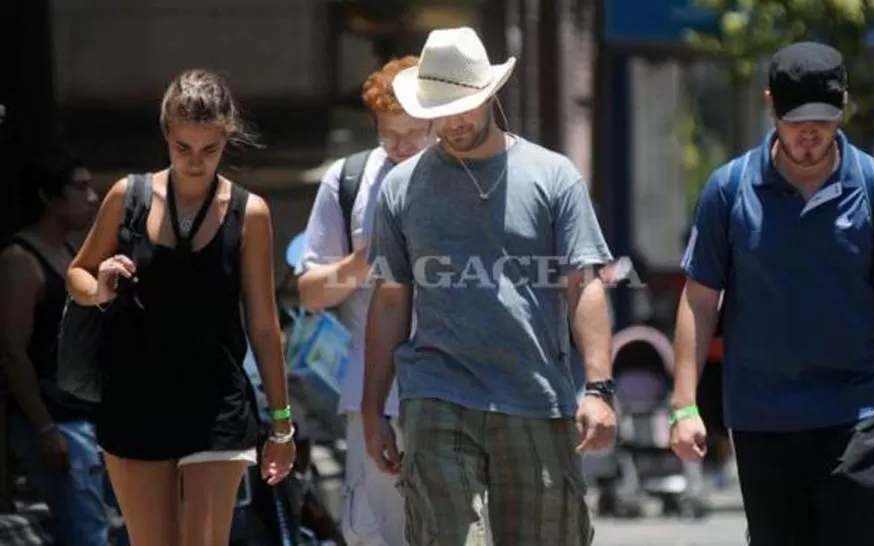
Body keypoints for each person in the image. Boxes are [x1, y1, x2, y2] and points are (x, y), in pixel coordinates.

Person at [669, 42, 874, 545]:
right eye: (797, 120)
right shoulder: (729, 190)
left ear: (843, 106)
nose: (810, 133)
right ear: (771, 105)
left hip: (856, 410)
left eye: (824, 118)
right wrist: (685, 405)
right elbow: (699, 299)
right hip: (762, 417)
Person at [363, 27, 616, 546]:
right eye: (440, 109)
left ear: (490, 94)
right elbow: (391, 300)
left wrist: (598, 388)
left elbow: (582, 285)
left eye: (466, 105)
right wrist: (373, 410)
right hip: (436, 391)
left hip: (534, 395)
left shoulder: (553, 176)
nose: (453, 122)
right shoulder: (401, 187)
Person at [65, 69, 296, 546]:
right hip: (135, 397)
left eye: (209, 150)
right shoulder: (126, 197)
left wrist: (281, 423)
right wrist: (100, 289)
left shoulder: (249, 213)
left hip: (218, 403)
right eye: (183, 148)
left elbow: (264, 325)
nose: (196, 162)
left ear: (226, 137)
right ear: (166, 134)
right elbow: (77, 274)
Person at [295, 55, 434, 546]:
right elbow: (311, 293)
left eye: (414, 133)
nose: (400, 147)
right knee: (377, 531)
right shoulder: (349, 180)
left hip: (458, 388)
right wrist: (363, 260)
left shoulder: (464, 177)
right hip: (373, 397)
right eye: (388, 133)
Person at [0, 149, 108, 544]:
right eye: (79, 187)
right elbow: (12, 350)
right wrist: (44, 427)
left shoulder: (70, 254)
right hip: (56, 419)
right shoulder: (20, 261)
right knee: (86, 535)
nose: (92, 197)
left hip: (85, 415)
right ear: (50, 196)